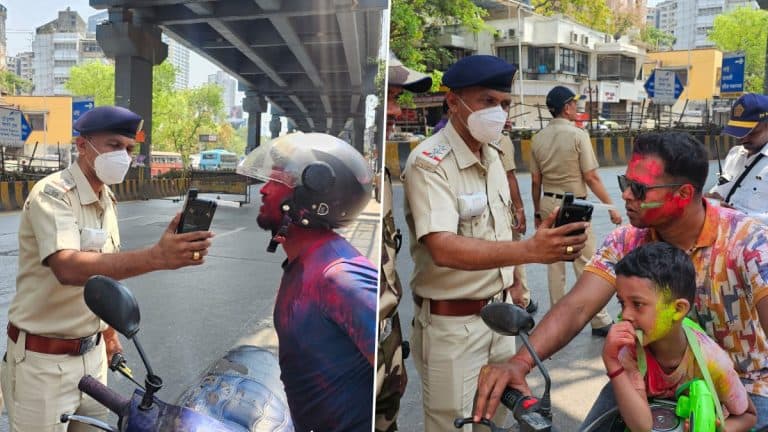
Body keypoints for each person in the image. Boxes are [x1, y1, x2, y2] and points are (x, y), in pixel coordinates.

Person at [473, 132, 768, 429]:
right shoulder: (626, 240)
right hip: (645, 378)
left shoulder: (747, 242)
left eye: (638, 190)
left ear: (683, 194)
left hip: (740, 386)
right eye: (625, 185)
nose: (626, 196)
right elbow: (577, 307)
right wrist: (521, 363)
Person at [402, 54, 591, 432]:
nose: (499, 112)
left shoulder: (492, 155)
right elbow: (443, 246)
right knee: (452, 425)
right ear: (453, 102)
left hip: (502, 321)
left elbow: (498, 231)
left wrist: (516, 280)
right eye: (487, 101)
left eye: (504, 104)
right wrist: (530, 251)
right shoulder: (429, 163)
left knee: (498, 422)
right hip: (452, 327)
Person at [0, 105, 214, 431]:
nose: (124, 156)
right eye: (114, 145)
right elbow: (68, 268)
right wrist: (157, 257)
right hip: (42, 363)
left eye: (129, 149)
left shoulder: (107, 200)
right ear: (82, 145)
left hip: (94, 358)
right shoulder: (53, 195)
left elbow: (100, 278)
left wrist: (109, 334)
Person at [237, 132, 377, 432]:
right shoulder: (304, 263)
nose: (263, 190)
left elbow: (388, 372)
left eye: (277, 182)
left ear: (310, 197)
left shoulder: (340, 277)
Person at [603, 242, 756, 431]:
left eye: (637, 304)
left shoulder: (712, 362)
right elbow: (641, 426)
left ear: (678, 309)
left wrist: (717, 429)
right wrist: (612, 363)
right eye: (622, 303)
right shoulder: (631, 350)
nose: (625, 315)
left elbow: (748, 416)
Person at [531, 85, 621, 337]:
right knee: (587, 261)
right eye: (574, 103)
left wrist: (538, 212)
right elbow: (591, 177)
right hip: (575, 206)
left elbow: (536, 181)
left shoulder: (538, 138)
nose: (576, 107)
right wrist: (612, 206)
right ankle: (599, 319)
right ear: (566, 107)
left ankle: (556, 319)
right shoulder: (577, 135)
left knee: (554, 262)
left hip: (549, 202)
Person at [376, 52, 432, 432]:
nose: (397, 111)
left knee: (386, 417)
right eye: (390, 98)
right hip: (353, 336)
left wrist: (392, 348)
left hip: (383, 330)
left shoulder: (377, 166)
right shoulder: (334, 170)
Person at [707, 93, 768, 224]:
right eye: (738, 132)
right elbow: (720, 190)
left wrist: (740, 217)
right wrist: (712, 200)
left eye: (750, 132)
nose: (742, 139)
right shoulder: (734, 154)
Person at [497, 119, 537, 314]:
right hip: (502, 207)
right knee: (514, 250)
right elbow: (509, 175)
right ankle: (521, 299)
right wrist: (519, 209)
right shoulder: (500, 139)